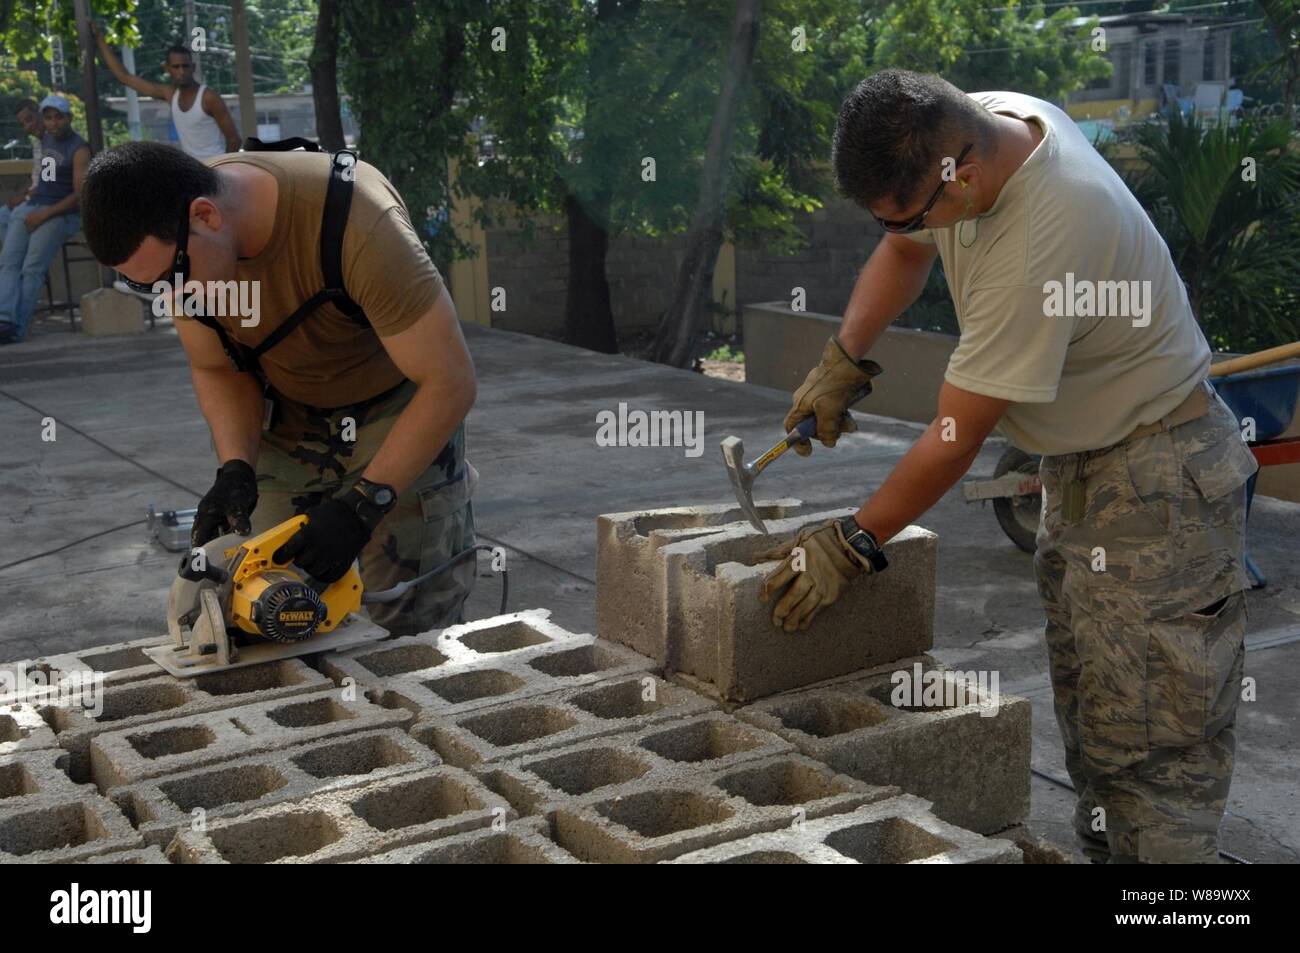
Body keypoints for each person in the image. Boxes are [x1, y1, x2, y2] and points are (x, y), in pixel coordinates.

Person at [759, 70, 1256, 864]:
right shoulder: (978, 128)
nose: (907, 229)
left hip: (1159, 475)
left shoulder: (1041, 236)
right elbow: (902, 248)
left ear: (965, 175)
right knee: (1100, 722)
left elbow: (955, 435)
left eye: (915, 210)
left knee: (1158, 756)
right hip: (1087, 462)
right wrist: (843, 355)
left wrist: (855, 540)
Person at [80, 141, 479, 635]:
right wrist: (235, 469)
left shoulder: (357, 223)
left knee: (411, 614)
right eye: (149, 289)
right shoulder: (183, 252)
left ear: (205, 215)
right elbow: (218, 369)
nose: (171, 298)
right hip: (288, 407)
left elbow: (450, 380)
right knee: (265, 602)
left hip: (396, 404)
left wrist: (364, 504)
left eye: (169, 279)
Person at [0, 95, 90, 345]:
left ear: (69, 118)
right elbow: (45, 182)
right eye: (49, 117)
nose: (53, 122)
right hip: (36, 206)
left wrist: (44, 214)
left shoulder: (79, 149)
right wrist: (29, 202)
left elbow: (78, 195)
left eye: (58, 117)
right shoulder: (46, 140)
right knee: (8, 262)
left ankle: (16, 328)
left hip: (61, 214)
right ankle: (4, 319)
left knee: (31, 268)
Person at [91, 23, 240, 159]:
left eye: (185, 66)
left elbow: (234, 139)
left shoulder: (208, 97)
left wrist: (222, 171)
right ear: (167, 69)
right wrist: (100, 40)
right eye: (176, 67)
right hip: (194, 171)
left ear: (193, 68)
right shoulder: (170, 94)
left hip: (216, 167)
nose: (181, 71)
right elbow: (125, 78)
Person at [0, 99, 44, 241]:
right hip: (36, 198)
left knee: (17, 216)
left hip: (47, 202)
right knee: (3, 215)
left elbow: (49, 184)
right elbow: (37, 179)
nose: (27, 127)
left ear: (40, 113)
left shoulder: (56, 145)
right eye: (23, 124)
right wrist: (22, 194)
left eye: (29, 119)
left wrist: (25, 198)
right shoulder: (39, 143)